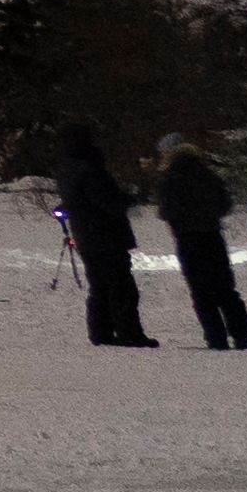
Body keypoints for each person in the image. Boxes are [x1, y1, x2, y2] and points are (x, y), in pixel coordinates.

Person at [148, 133, 247, 349]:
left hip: (188, 239)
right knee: (225, 288)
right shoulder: (207, 174)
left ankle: (216, 337)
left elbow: (166, 211)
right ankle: (241, 334)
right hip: (213, 235)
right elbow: (224, 204)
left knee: (201, 291)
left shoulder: (168, 179)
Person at [52, 123, 151, 348]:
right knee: (122, 289)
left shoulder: (66, 169)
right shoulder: (90, 169)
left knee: (99, 287)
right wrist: (129, 198)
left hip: (86, 236)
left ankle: (101, 333)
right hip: (106, 236)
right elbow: (107, 202)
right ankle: (130, 335)